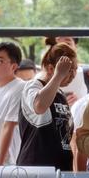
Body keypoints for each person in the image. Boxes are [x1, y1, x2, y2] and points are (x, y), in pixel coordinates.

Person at [17, 43, 76, 171]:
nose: (73, 74)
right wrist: (59, 75)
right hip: (35, 170)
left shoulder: (60, 94)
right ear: (51, 68)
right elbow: (39, 106)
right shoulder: (33, 86)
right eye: (69, 70)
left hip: (62, 169)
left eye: (74, 69)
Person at [45, 37, 88, 105]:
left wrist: (79, 103)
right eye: (58, 44)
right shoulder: (39, 83)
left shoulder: (87, 75)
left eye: (67, 43)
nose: (73, 75)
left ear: (75, 46)